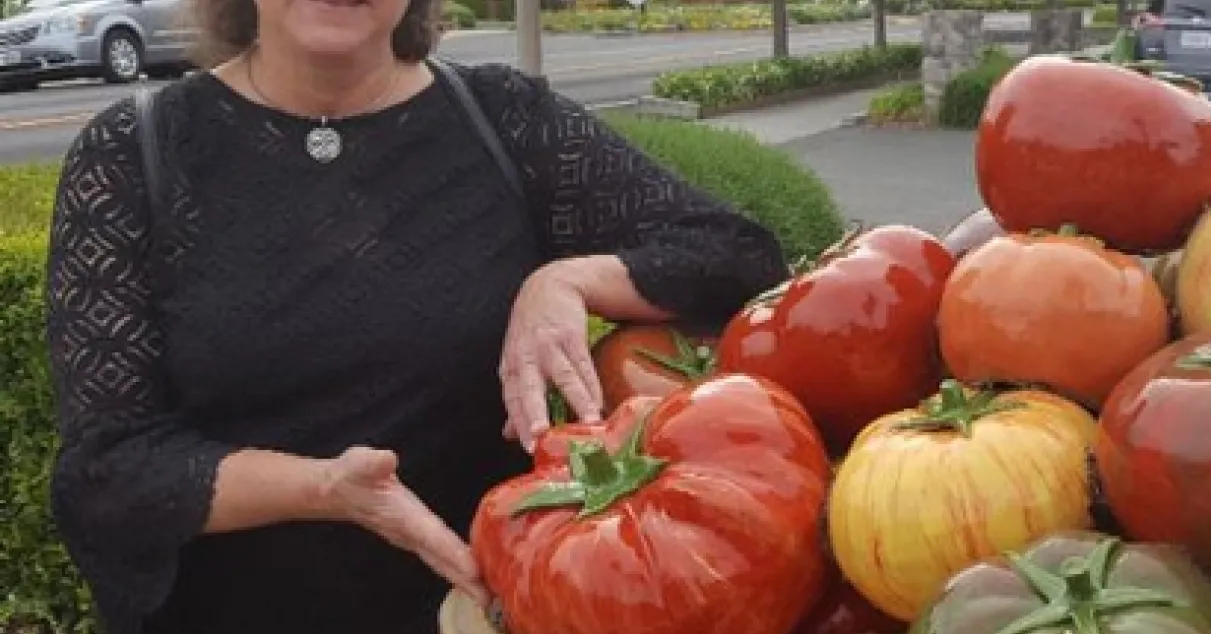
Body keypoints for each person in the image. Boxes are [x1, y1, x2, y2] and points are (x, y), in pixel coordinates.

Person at [40, 0, 791, 628]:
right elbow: (108, 471)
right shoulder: (135, 153)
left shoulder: (503, 121)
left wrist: (568, 279)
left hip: (477, 607)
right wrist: (327, 489)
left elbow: (742, 254)